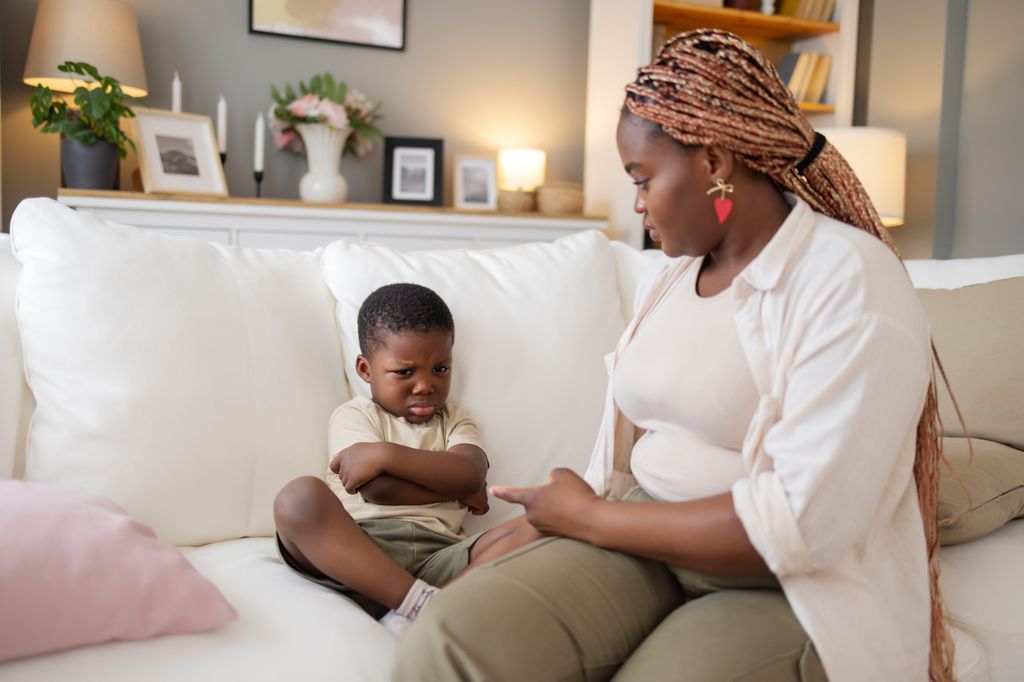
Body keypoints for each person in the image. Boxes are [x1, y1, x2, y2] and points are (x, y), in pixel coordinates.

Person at [393, 29, 955, 681]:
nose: (636, 204)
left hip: (793, 586)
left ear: (714, 164)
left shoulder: (849, 281)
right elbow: (632, 443)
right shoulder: (673, 275)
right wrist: (576, 518)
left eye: (642, 178)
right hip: (640, 533)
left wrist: (591, 518)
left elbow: (801, 527)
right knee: (450, 641)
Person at [273, 283, 540, 634]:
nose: (425, 385)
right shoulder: (356, 416)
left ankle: (425, 603)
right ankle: (422, 605)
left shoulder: (456, 420)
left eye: (440, 369)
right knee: (298, 498)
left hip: (442, 555)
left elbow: (470, 474)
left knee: (541, 521)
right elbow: (379, 490)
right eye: (405, 372)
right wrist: (455, 488)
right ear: (366, 370)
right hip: (361, 552)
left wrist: (384, 453)